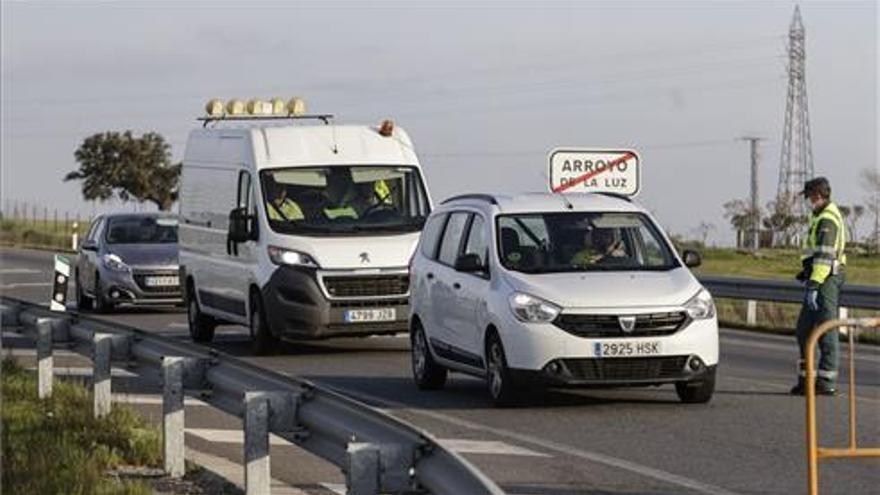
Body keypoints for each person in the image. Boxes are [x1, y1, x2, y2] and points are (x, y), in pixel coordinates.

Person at [790, 177, 847, 396]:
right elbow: (815, 253)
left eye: (809, 196)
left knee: (826, 329)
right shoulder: (818, 216)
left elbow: (825, 256)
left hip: (825, 280)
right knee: (804, 330)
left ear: (818, 195)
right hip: (818, 277)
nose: (808, 201)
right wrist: (807, 271)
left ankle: (825, 382)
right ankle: (806, 380)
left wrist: (814, 283)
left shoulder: (827, 220)